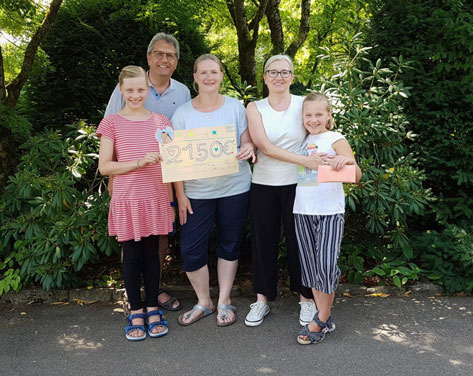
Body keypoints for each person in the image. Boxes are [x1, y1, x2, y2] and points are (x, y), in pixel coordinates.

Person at [105, 32, 190, 311]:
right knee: (131, 241)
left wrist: (179, 189)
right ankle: (134, 297)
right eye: (159, 54)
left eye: (170, 55)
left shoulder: (183, 92)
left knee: (158, 241)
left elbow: (179, 144)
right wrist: (113, 178)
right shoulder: (129, 86)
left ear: (176, 61)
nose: (164, 59)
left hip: (160, 183)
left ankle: (154, 292)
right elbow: (111, 137)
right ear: (149, 57)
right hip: (127, 183)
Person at [172, 54, 256, 327]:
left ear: (221, 75)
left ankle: (224, 301)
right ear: (194, 77)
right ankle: (203, 301)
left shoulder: (235, 107)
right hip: (196, 192)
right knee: (191, 247)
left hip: (235, 187)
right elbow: (174, 160)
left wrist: (248, 148)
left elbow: (247, 141)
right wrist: (181, 195)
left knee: (229, 244)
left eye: (214, 72)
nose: (209, 77)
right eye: (203, 72)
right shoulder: (182, 113)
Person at [245, 55, 325, 327]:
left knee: (300, 243)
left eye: (284, 72)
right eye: (272, 72)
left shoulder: (305, 104)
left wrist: (334, 156)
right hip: (264, 183)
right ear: (265, 77)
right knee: (262, 242)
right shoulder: (254, 107)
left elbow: (321, 132)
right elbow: (264, 146)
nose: (279, 77)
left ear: (292, 76)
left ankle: (306, 299)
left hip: (300, 184)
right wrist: (304, 160)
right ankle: (262, 300)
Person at [97, 65, 174, 341]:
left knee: (153, 254)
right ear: (121, 90)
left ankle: (153, 307)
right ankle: (136, 310)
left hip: (155, 197)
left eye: (140, 89)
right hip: (127, 199)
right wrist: (139, 162)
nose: (135, 95)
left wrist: (174, 197)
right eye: (129, 90)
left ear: (147, 89)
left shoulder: (162, 121)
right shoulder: (112, 123)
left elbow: (175, 161)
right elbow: (105, 166)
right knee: (131, 256)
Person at [295, 92, 361, 344]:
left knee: (325, 265)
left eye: (319, 114)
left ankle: (321, 317)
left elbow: (356, 174)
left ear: (329, 116)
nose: (313, 119)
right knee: (312, 269)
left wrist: (346, 160)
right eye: (308, 115)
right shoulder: (301, 141)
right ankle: (325, 318)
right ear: (302, 117)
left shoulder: (335, 138)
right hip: (302, 209)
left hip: (330, 211)